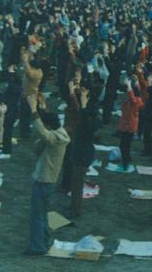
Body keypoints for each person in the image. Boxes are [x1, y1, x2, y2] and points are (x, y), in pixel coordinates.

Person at [24, 94, 70, 256]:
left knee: (37, 215)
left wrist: (33, 110)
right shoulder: (60, 134)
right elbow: (47, 126)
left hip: (44, 179)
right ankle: (43, 241)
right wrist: (42, 107)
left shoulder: (54, 138)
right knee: (42, 213)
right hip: (49, 180)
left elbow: (43, 132)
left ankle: (37, 246)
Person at [69, 87, 97, 218]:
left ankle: (76, 210)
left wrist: (84, 104)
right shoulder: (92, 120)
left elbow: (83, 117)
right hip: (83, 153)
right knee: (76, 182)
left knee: (77, 184)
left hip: (82, 154)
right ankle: (74, 206)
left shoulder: (89, 123)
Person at [117, 75, 145, 172]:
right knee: (125, 145)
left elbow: (132, 97)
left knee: (124, 146)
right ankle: (127, 159)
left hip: (129, 126)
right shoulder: (136, 100)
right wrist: (135, 83)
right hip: (127, 125)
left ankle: (125, 163)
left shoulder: (135, 101)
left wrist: (129, 85)